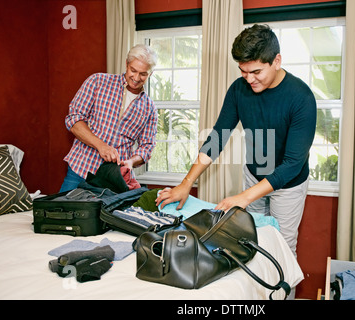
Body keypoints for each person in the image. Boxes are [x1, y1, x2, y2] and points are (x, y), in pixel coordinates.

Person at [155, 24, 316, 258]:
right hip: (254, 174)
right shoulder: (238, 90)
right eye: (243, 71)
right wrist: (186, 183)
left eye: (257, 72)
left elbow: (292, 164)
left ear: (277, 61)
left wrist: (244, 197)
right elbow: (217, 137)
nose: (249, 79)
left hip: (288, 184)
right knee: (252, 242)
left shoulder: (301, 98)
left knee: (281, 249)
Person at [59, 44, 158, 192]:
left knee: (107, 217)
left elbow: (147, 147)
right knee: (60, 214)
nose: (136, 78)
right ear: (126, 64)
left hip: (114, 180)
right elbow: (74, 119)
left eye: (143, 74)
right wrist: (101, 146)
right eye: (133, 70)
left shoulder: (150, 107)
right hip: (80, 169)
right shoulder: (97, 81)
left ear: (151, 73)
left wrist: (131, 162)